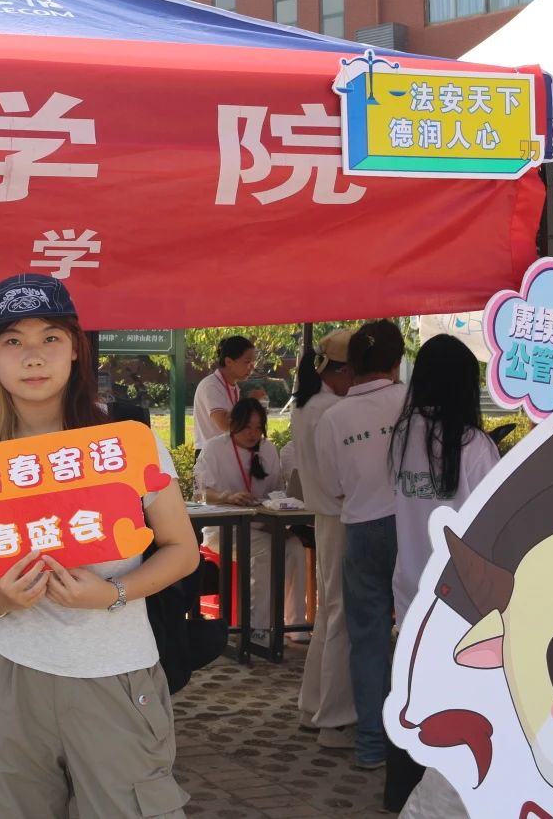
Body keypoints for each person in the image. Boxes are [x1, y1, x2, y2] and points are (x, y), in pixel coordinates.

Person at [0, 273, 197, 819]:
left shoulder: (129, 445)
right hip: (12, 675)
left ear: (75, 349)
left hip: (115, 675)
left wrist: (113, 592)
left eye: (51, 337)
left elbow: (182, 550)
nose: (34, 356)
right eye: (13, 340)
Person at [384, 334, 498, 811]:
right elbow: (494, 525)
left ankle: (398, 794)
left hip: (410, 589)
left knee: (409, 699)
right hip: (459, 602)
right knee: (454, 709)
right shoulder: (474, 444)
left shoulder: (401, 435)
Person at [314, 319, 407, 772]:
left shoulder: (334, 418)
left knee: (366, 640)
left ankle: (371, 744)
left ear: (352, 364)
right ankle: (413, 743)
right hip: (413, 528)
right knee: (416, 634)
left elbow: (332, 487)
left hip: (361, 531)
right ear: (397, 361)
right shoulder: (414, 403)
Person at [291, 328, 358, 752]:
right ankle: (334, 717)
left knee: (329, 614)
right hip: (342, 515)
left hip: (325, 516)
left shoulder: (308, 404)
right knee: (340, 615)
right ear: (344, 371)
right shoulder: (333, 408)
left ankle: (314, 705)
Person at [195, 398, 306, 643]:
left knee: (295, 547)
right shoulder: (214, 448)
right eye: (247, 427)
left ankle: (295, 624)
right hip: (223, 530)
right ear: (233, 424)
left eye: (258, 428)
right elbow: (200, 493)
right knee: (267, 550)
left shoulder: (268, 449)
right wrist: (227, 497)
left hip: (262, 524)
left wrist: (277, 515)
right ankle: (257, 628)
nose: (253, 434)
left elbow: (276, 492)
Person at [192, 335, 266, 450]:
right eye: (247, 362)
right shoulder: (211, 385)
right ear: (228, 362)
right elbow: (224, 424)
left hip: (226, 451)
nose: (252, 367)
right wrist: (250, 403)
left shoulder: (233, 386)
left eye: (253, 362)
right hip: (210, 454)